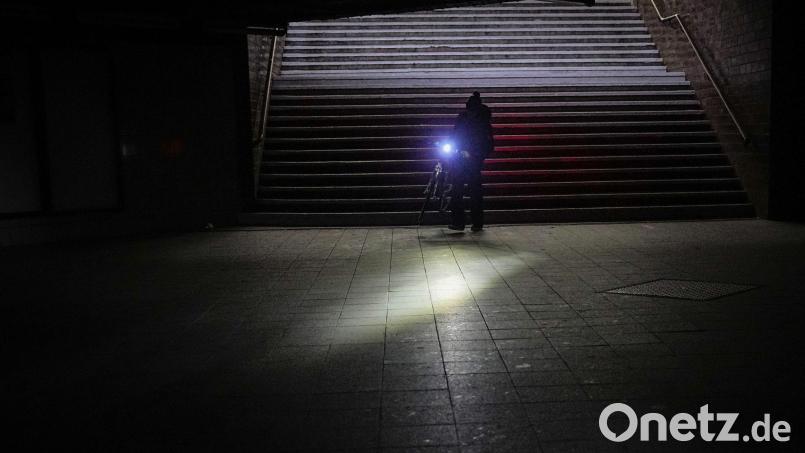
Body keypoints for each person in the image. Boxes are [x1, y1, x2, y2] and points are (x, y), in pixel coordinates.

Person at [448, 91, 493, 232]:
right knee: (470, 191)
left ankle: (461, 222)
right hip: (468, 158)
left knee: (461, 190)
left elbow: (456, 134)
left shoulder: (475, 120)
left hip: (469, 158)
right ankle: (474, 222)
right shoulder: (480, 120)